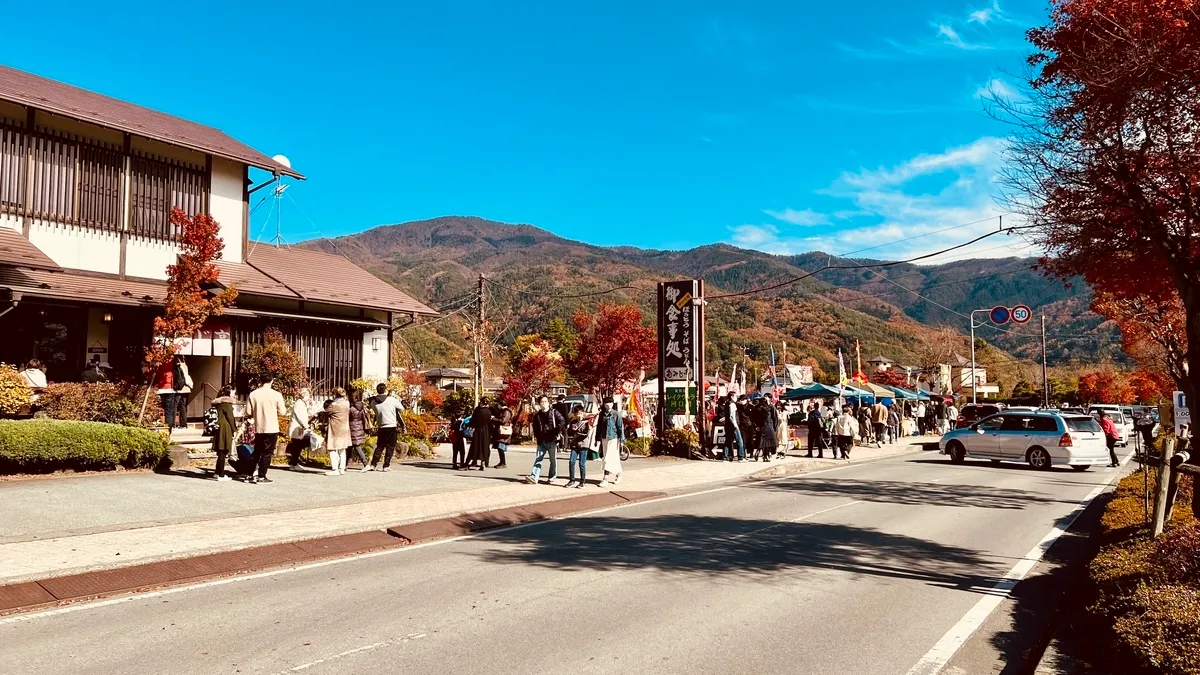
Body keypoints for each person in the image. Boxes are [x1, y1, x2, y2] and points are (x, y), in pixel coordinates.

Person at [245, 377, 286, 484]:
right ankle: (261, 476)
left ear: (260, 381)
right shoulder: (276, 395)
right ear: (272, 380)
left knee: (257, 451)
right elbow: (283, 412)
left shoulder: (253, 394)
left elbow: (248, 411)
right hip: (271, 426)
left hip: (259, 427)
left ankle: (249, 474)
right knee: (267, 452)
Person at [528, 395, 565, 484]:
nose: (544, 403)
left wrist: (557, 430)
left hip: (552, 439)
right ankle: (534, 477)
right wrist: (537, 436)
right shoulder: (537, 416)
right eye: (542, 402)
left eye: (545, 401)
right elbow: (535, 427)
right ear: (539, 404)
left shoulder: (554, 412)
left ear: (548, 403)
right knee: (538, 458)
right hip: (541, 440)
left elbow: (562, 421)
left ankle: (552, 477)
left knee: (553, 460)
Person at [369, 383, 405, 472]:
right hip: (391, 426)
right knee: (390, 446)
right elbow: (402, 408)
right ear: (385, 390)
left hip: (381, 426)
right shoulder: (391, 400)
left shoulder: (373, 402)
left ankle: (373, 464)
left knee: (380, 446)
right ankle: (386, 466)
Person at [595, 397, 625, 487]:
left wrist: (622, 440)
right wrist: (597, 439)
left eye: (610, 402)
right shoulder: (601, 414)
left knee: (607, 458)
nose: (608, 404)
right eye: (606, 403)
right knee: (612, 458)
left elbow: (620, 427)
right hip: (604, 438)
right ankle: (619, 473)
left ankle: (605, 479)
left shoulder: (616, 414)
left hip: (613, 438)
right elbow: (599, 427)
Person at [210, 385, 236, 482]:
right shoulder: (227, 403)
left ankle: (217, 473)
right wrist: (234, 429)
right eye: (233, 392)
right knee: (223, 451)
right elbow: (230, 418)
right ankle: (221, 474)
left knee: (220, 452)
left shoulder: (218, 403)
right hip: (225, 429)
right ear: (229, 393)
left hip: (218, 427)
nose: (234, 394)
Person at [286, 388, 314, 469]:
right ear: (304, 395)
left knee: (298, 446)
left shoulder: (302, 403)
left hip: (299, 427)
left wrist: (309, 405)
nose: (309, 397)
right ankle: (293, 464)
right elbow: (300, 417)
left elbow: (307, 414)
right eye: (308, 395)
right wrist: (306, 426)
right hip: (297, 427)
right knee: (297, 446)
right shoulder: (299, 404)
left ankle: (294, 462)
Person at [325, 388, 351, 476]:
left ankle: (335, 468)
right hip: (345, 428)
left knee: (332, 448)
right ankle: (342, 468)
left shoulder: (333, 405)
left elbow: (326, 412)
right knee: (342, 449)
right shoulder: (347, 403)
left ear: (335, 394)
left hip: (335, 429)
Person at [466, 397, 494, 471]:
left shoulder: (478, 410)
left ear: (481, 402)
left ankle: (470, 461)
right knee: (484, 447)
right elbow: (489, 422)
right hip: (486, 431)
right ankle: (483, 463)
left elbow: (474, 420)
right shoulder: (488, 411)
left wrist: (470, 426)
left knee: (475, 446)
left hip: (478, 430)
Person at [566, 406, 589, 488]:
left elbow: (585, 434)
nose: (578, 415)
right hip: (574, 445)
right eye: (576, 414)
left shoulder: (586, 422)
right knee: (571, 462)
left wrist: (577, 431)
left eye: (580, 413)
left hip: (583, 445)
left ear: (583, 413)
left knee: (581, 464)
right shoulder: (573, 422)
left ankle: (582, 481)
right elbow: (568, 433)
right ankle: (572, 480)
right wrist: (572, 430)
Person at [348, 390, 370, 470]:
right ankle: (346, 463)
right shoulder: (361, 406)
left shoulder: (351, 408)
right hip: (360, 427)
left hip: (352, 427)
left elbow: (348, 417)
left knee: (356, 446)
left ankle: (365, 463)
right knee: (351, 445)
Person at [153, 359, 175, 429]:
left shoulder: (157, 360)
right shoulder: (171, 361)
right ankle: (168, 429)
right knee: (169, 411)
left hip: (159, 388)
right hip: (170, 388)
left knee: (156, 410)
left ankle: (157, 426)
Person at [172, 355, 193, 429]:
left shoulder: (177, 366)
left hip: (179, 388)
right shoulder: (185, 365)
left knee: (174, 405)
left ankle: (172, 423)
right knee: (183, 406)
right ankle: (184, 424)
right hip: (186, 388)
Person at [492, 400, 514, 469]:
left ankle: (503, 463)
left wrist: (494, 419)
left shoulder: (506, 411)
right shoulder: (502, 411)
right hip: (500, 433)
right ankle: (501, 462)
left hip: (503, 432)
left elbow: (503, 421)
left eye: (498, 404)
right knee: (499, 448)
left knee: (500, 447)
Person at [724, 395, 745, 462]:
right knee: (739, 441)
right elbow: (732, 416)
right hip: (733, 426)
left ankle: (725, 456)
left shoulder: (727, 404)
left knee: (728, 440)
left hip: (728, 425)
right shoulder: (732, 405)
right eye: (735, 397)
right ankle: (740, 456)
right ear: (732, 397)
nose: (737, 398)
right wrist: (735, 425)